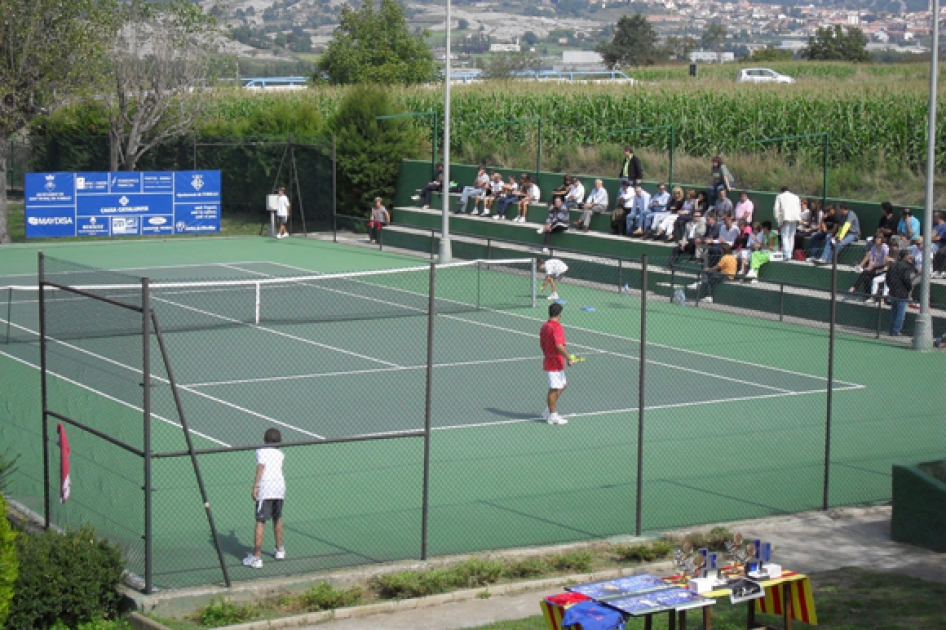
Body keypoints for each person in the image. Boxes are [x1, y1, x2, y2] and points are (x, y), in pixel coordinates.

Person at [243, 428, 286, 569]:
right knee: (277, 517)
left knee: (260, 521)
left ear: (265, 439)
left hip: (266, 488)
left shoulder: (260, 451)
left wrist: (255, 485)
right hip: (279, 488)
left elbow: (261, 467)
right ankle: (279, 550)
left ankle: (256, 558)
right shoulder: (280, 454)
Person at [540, 302, 572, 426]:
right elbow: (559, 346)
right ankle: (552, 415)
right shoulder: (556, 327)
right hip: (553, 362)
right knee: (554, 388)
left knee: (562, 385)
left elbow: (542, 344)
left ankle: (548, 410)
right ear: (560, 314)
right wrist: (569, 358)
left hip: (554, 361)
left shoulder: (544, 326)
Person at [886, 250, 917, 337]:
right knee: (900, 312)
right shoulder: (906, 266)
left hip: (893, 290)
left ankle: (892, 329)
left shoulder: (893, 265)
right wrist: (909, 288)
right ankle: (896, 330)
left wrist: (890, 287)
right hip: (902, 291)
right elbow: (906, 279)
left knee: (894, 311)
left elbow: (887, 278)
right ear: (906, 256)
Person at [774, 185, 802, 259]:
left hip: (785, 218)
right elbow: (799, 209)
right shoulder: (796, 197)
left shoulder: (779, 196)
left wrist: (778, 220)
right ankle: (790, 253)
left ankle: (787, 254)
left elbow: (776, 209)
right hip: (795, 218)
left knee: (785, 236)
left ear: (781, 191)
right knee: (791, 236)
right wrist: (799, 219)